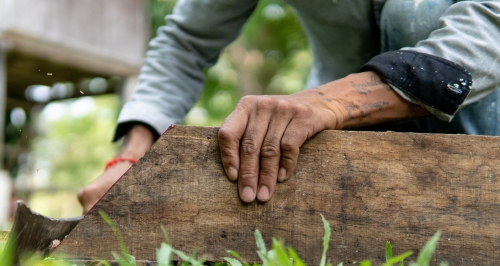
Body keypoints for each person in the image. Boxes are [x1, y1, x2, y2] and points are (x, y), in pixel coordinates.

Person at [78, 0, 500, 213]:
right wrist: (130, 158)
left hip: (482, 123)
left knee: (413, 13)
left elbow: (489, 24)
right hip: (337, 142)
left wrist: (331, 102)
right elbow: (184, 44)